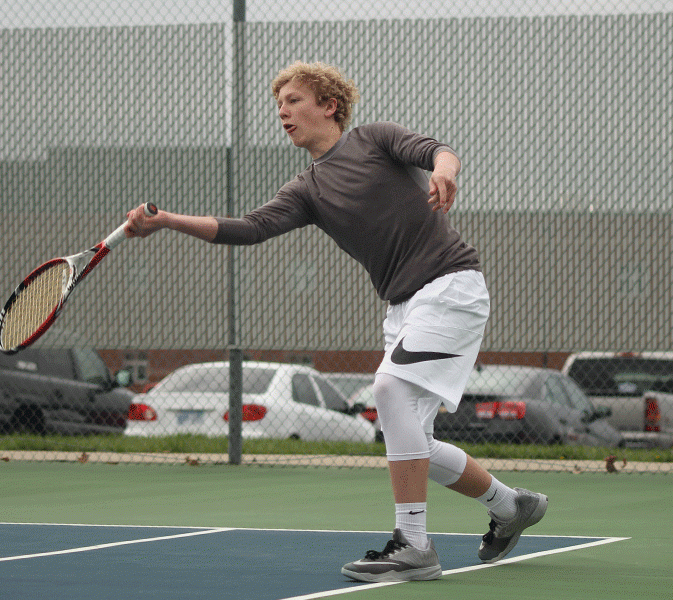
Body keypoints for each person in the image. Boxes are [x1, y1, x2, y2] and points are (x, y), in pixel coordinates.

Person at [124, 61, 548, 583]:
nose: (283, 111)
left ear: (329, 105)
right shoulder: (307, 189)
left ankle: (414, 545)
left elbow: (437, 150)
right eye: (278, 104)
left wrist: (445, 171)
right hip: (401, 308)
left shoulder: (375, 139)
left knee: (389, 390)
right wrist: (167, 221)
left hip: (450, 285)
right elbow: (250, 228)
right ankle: (511, 507)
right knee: (413, 438)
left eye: (294, 99)